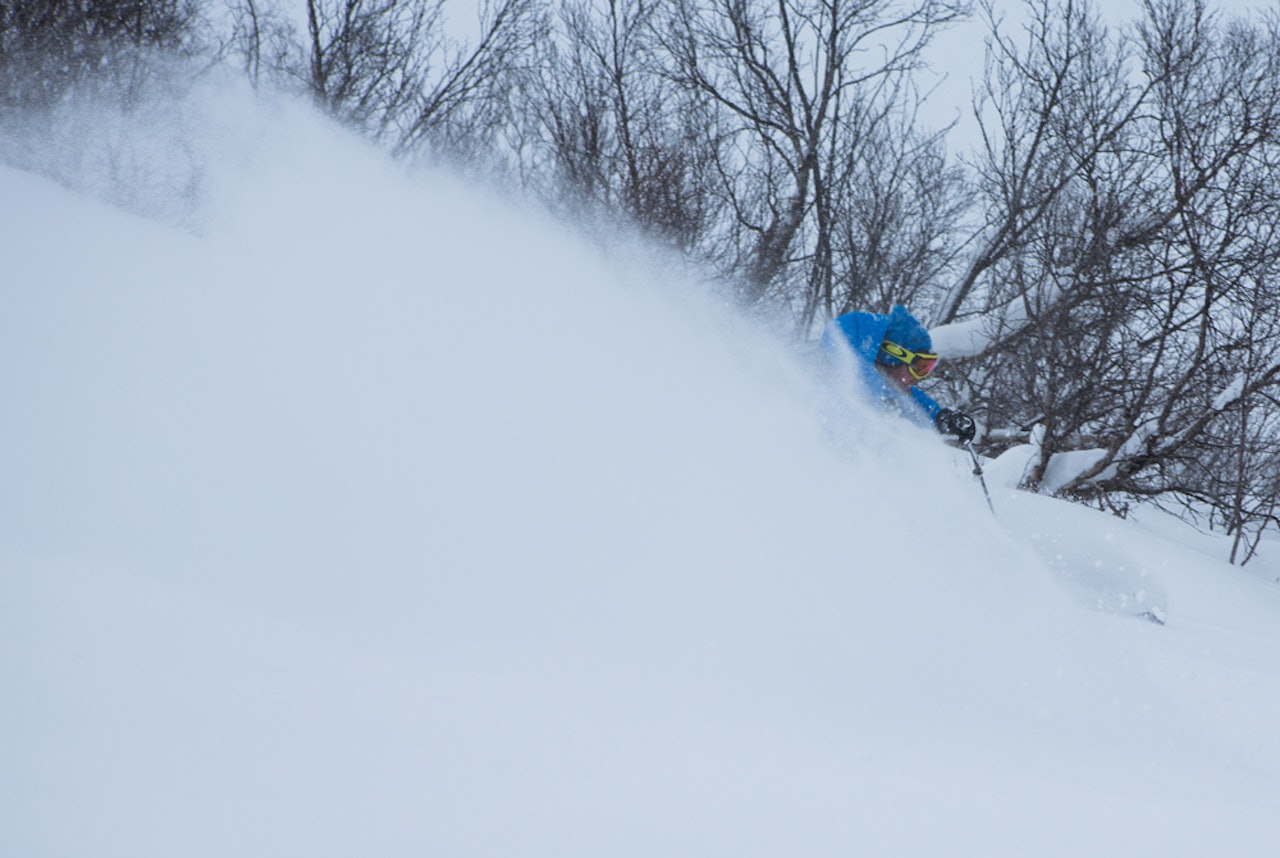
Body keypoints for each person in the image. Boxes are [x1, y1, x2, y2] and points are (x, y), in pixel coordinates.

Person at [820, 304, 976, 444]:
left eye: (926, 368)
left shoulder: (877, 385)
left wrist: (941, 417)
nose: (917, 378)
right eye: (919, 367)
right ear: (894, 355)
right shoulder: (831, 372)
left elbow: (909, 400)